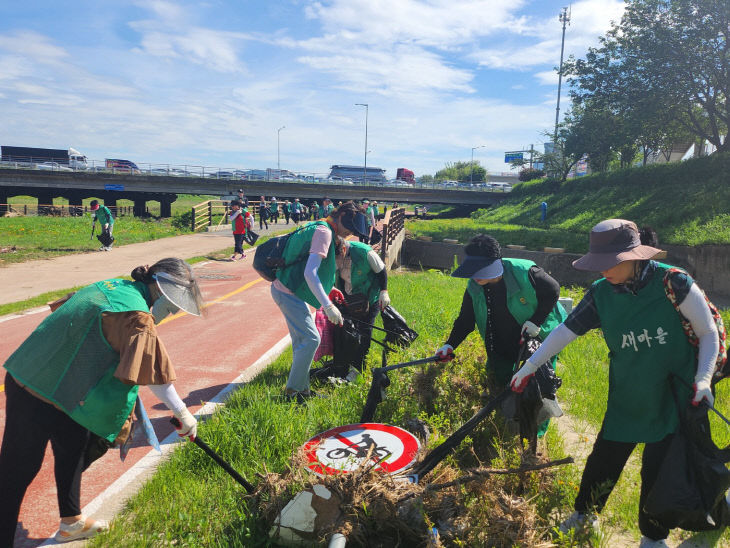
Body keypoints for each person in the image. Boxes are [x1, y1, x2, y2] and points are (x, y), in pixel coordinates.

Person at [509, 219, 719, 547]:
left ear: (634, 257)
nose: (602, 271)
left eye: (609, 264)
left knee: (657, 470)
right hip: (630, 392)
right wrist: (530, 366)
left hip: (674, 395)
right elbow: (567, 330)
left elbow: (708, 332)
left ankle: (653, 537)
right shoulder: (601, 293)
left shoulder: (674, 283)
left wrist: (704, 379)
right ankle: (584, 514)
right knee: (604, 459)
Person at [0, 258, 204, 546]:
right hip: (36, 388)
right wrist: (184, 414)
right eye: (171, 304)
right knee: (17, 471)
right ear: (159, 289)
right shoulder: (136, 315)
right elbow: (154, 374)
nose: (170, 312)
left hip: (59, 385)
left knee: (73, 447)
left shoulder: (116, 286)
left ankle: (72, 522)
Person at [435, 234, 566, 436]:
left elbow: (553, 290)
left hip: (535, 339)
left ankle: (535, 439)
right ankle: (508, 427)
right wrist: (450, 345)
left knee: (537, 390)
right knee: (503, 384)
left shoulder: (525, 272)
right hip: (500, 341)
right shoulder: (475, 286)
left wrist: (536, 321)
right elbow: (465, 320)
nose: (476, 277)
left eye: (481, 271)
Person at [270, 201, 369, 402]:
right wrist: (328, 305)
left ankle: (302, 390)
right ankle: (292, 393)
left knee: (302, 342)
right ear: (342, 217)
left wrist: (328, 289)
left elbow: (308, 268)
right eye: (350, 228)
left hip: (288, 290)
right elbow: (310, 272)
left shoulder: (320, 225)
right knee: (311, 339)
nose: (350, 234)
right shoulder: (324, 232)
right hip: (288, 292)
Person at [334, 238, 391, 372]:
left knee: (364, 332)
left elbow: (381, 271)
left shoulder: (364, 252)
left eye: (337, 256)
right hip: (348, 298)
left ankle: (358, 368)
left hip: (369, 298)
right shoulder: (331, 254)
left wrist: (384, 291)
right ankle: (343, 365)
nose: (335, 259)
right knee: (346, 332)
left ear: (343, 249)